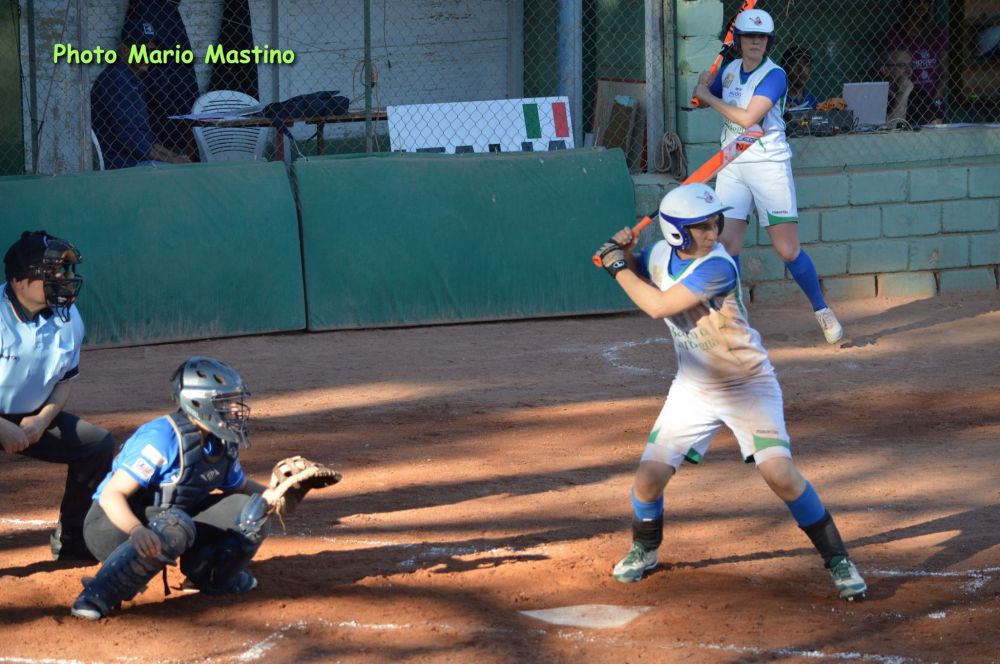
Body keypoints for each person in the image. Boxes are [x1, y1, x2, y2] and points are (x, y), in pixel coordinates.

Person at [594, 182, 868, 602]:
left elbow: (657, 306)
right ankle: (645, 549)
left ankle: (838, 559)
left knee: (779, 474)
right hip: (693, 387)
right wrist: (625, 250)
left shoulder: (718, 266)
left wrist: (616, 266)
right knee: (647, 482)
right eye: (701, 227)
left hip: (747, 386)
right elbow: (643, 266)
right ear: (675, 234)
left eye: (715, 223)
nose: (713, 233)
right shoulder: (662, 255)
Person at [70, 357, 279, 620]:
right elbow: (112, 495)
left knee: (252, 510)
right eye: (225, 402)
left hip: (170, 520)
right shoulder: (161, 437)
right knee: (176, 524)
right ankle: (98, 593)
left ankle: (210, 578)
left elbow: (242, 487)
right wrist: (136, 530)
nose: (236, 409)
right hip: (113, 526)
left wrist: (279, 492)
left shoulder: (219, 441)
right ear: (199, 403)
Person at [693, 8, 843, 345]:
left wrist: (709, 96)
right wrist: (703, 85)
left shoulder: (775, 76)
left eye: (761, 38)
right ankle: (735, 319)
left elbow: (748, 119)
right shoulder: (730, 70)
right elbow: (705, 97)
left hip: (768, 165)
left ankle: (821, 308)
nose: (755, 43)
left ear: (768, 42)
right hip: (732, 163)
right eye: (749, 37)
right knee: (726, 243)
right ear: (740, 41)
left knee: (787, 250)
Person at [0, 231, 116, 561]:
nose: (64, 280)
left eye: (66, 271)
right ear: (20, 281)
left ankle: (74, 541)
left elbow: (64, 380)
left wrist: (42, 419)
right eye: (52, 272)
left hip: (29, 417)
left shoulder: (68, 318)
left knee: (97, 445)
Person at [90, 17, 191, 170]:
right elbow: (132, 139)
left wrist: (175, 157)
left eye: (152, 50)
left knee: (183, 164)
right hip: (121, 164)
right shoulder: (117, 78)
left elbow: (146, 139)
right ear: (124, 49)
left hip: (133, 159)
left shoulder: (133, 79)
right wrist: (172, 161)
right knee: (180, 173)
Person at [884, 0, 948, 120]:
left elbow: (945, 73)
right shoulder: (896, 34)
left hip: (932, 99)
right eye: (917, 2)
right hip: (906, 98)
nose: (922, 5)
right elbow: (892, 68)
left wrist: (934, 101)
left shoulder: (937, 33)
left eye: (926, 2)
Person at [882, 48, 943, 127]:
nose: (909, 71)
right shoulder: (876, 96)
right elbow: (887, 128)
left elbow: (938, 123)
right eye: (902, 65)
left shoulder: (920, 95)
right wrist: (903, 93)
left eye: (911, 65)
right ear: (885, 70)